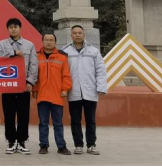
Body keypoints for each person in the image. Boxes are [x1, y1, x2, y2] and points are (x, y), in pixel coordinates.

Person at [0, 18, 38, 155]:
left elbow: (33, 64)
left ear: (20, 28)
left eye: (16, 27)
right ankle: (11, 141)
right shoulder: (1, 44)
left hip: (23, 86)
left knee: (23, 115)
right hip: (7, 85)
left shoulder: (29, 45)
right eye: (11, 27)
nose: (13, 29)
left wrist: (30, 82)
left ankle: (22, 141)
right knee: (9, 114)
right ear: (8, 29)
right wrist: (13, 54)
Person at [62, 25, 107, 155]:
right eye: (75, 33)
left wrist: (101, 87)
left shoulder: (93, 51)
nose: (77, 35)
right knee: (75, 120)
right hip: (73, 91)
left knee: (90, 120)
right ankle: (78, 145)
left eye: (80, 33)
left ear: (84, 35)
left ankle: (91, 144)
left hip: (90, 90)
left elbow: (101, 70)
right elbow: (62, 72)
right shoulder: (65, 51)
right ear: (71, 35)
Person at [33, 33, 73, 155]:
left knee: (58, 123)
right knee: (43, 123)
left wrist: (65, 89)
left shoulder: (62, 58)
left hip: (57, 96)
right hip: (42, 96)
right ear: (42, 41)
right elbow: (34, 75)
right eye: (46, 40)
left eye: (51, 40)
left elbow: (66, 75)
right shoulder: (36, 57)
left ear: (55, 42)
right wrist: (35, 90)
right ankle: (43, 146)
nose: (49, 42)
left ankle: (61, 146)